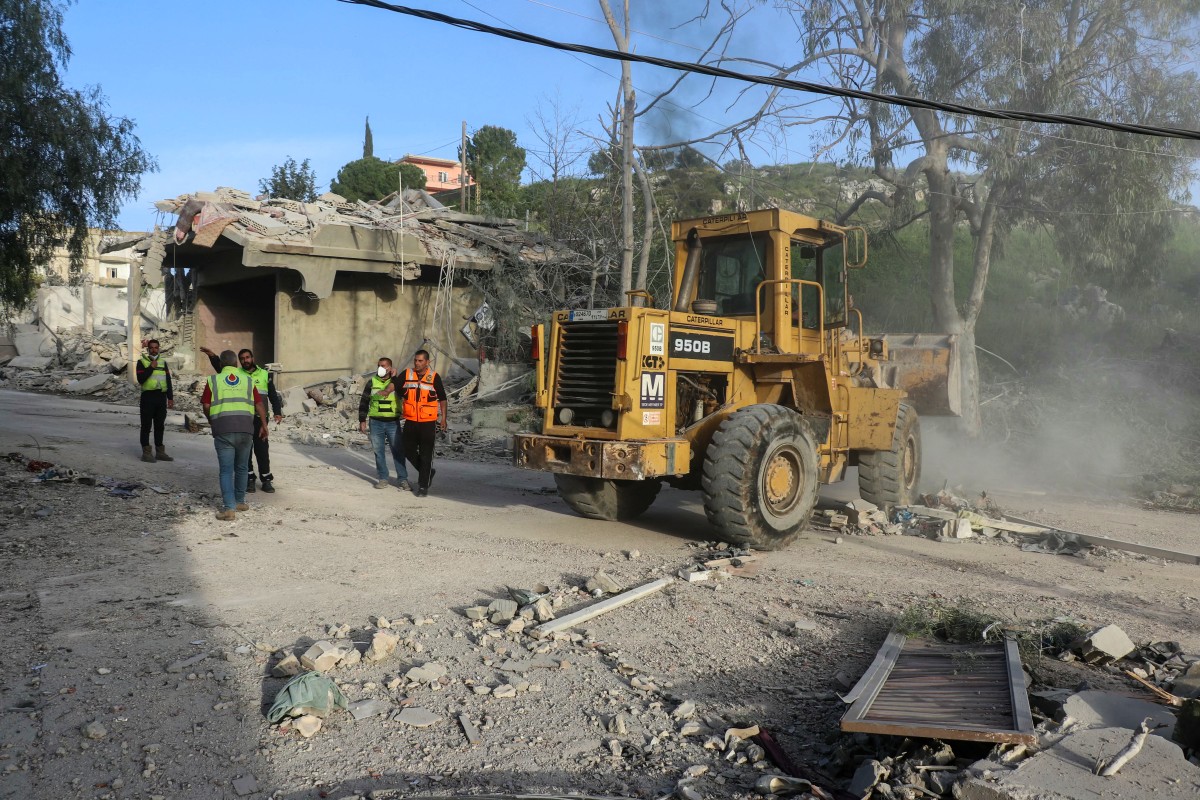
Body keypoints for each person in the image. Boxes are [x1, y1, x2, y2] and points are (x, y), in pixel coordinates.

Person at [201, 346, 282, 493]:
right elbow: (223, 368)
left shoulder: (264, 374)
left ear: (253, 358)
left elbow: (272, 395)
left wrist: (277, 411)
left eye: (247, 357)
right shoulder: (237, 374)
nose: (245, 360)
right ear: (238, 362)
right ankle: (249, 479)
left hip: (259, 418)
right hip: (244, 417)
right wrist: (213, 356)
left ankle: (266, 480)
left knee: (262, 450)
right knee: (246, 451)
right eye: (242, 359)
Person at [201, 350, 269, 520]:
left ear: (222, 364)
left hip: (223, 429)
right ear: (236, 364)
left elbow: (207, 405)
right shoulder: (247, 380)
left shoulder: (213, 380)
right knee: (242, 468)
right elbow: (259, 404)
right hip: (246, 429)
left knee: (226, 471)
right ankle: (240, 501)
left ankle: (229, 508)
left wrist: (211, 420)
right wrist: (264, 424)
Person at [394, 349, 446, 497]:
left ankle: (423, 486)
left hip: (428, 422)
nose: (417, 363)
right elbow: (396, 388)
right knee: (406, 450)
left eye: (420, 361)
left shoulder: (434, 377)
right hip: (410, 420)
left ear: (427, 362)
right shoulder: (407, 374)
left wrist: (443, 418)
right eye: (415, 360)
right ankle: (428, 472)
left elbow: (442, 398)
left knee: (426, 455)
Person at [357, 357, 410, 490]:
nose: (381, 368)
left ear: (390, 368)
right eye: (379, 365)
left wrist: (395, 377)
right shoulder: (372, 382)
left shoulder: (397, 382)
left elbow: (406, 395)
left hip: (393, 422)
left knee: (398, 452)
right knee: (378, 452)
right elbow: (364, 401)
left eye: (384, 366)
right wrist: (362, 420)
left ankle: (402, 479)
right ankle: (383, 478)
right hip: (376, 422)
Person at [136, 339, 175, 463]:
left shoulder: (163, 363)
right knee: (146, 426)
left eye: (156, 348)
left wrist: (170, 397)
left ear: (159, 348)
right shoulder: (141, 362)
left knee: (160, 426)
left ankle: (160, 452)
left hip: (161, 398)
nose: (154, 350)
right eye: (151, 348)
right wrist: (151, 368)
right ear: (148, 349)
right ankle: (146, 453)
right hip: (147, 398)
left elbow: (168, 380)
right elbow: (141, 379)